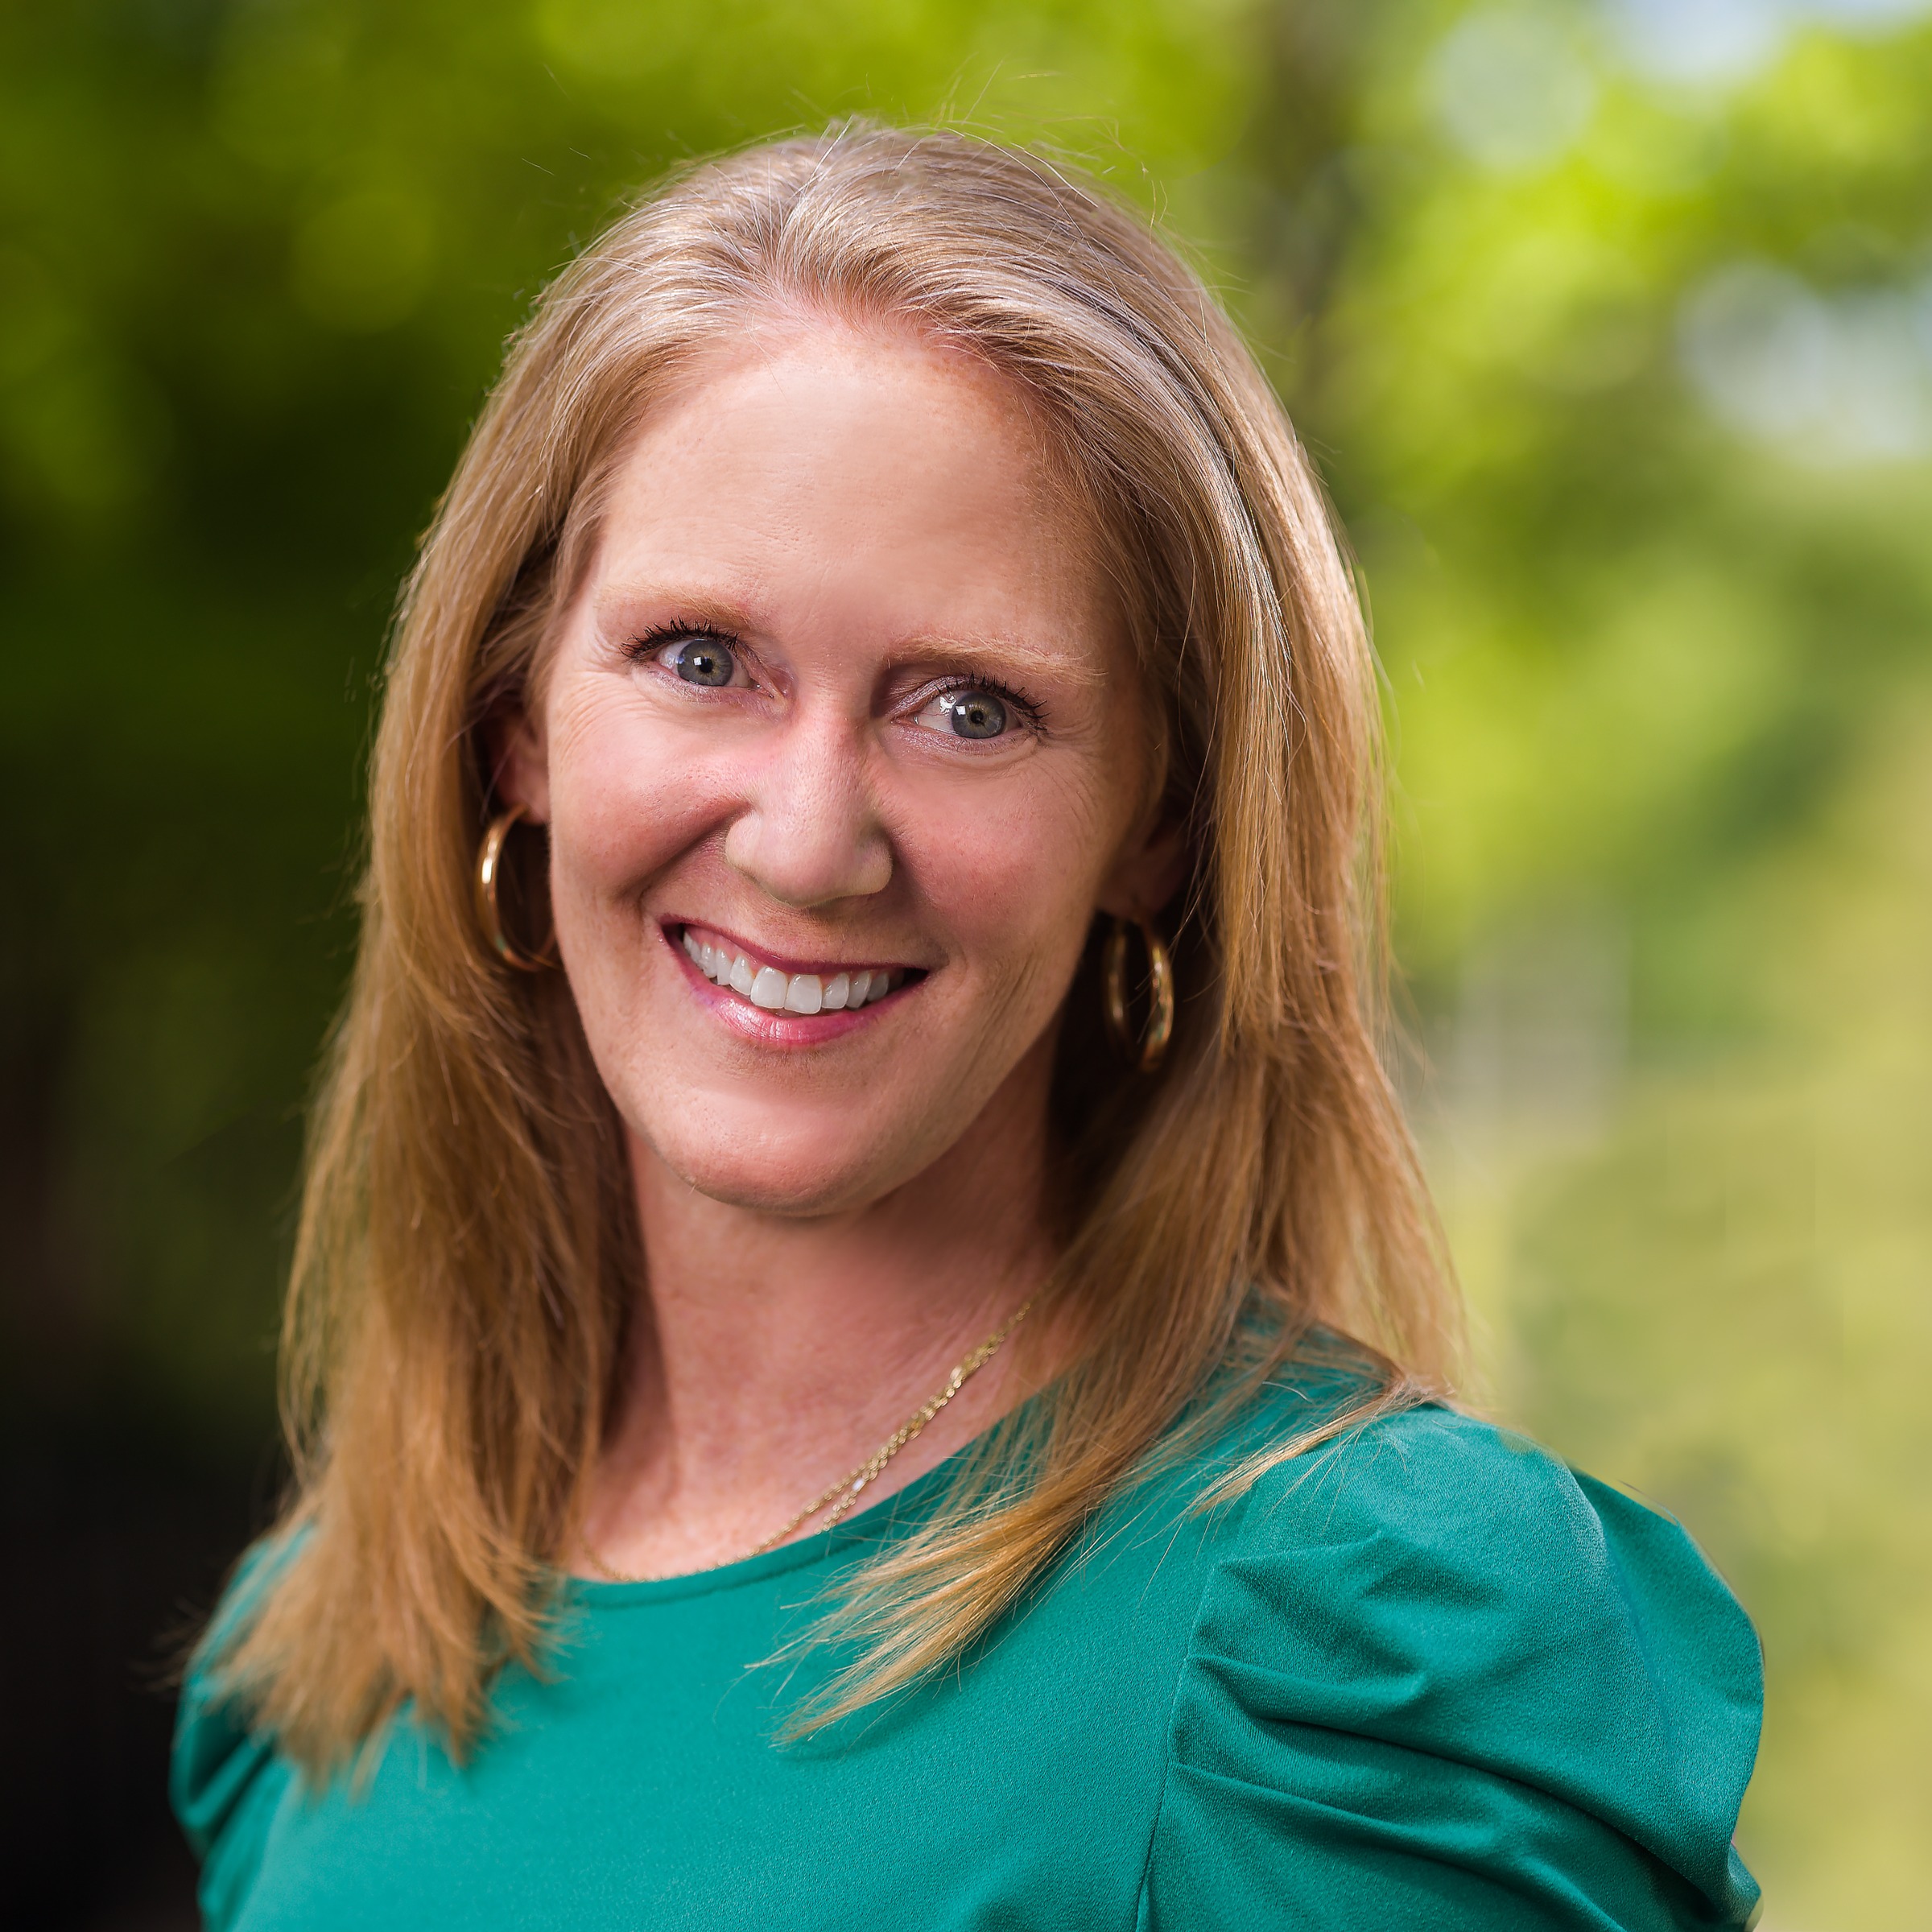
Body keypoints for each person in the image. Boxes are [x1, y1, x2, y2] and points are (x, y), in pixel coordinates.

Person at [171, 124, 1761, 1930]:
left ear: (1163, 829)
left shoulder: (1341, 1652)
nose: (808, 838)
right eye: (702, 658)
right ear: (515, 724)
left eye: (970, 709)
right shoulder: (320, 1654)